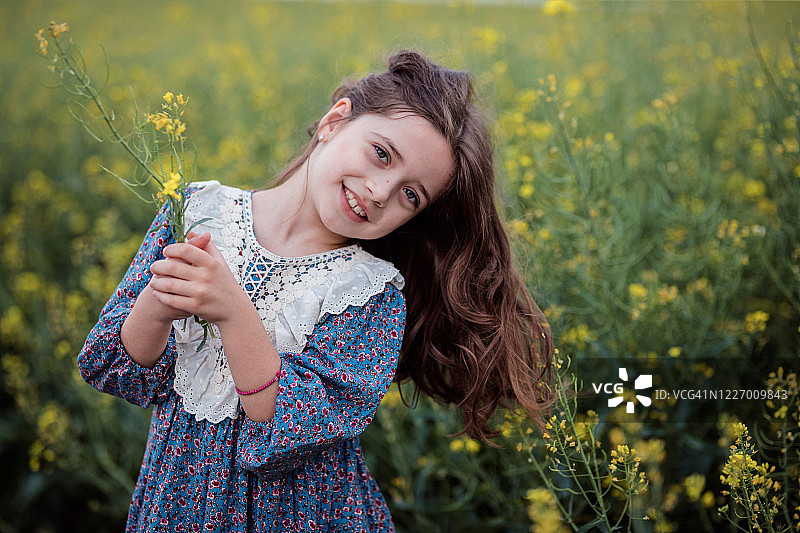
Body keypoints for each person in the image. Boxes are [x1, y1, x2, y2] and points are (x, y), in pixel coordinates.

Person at [78, 49, 553, 533]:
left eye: (411, 194)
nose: (379, 192)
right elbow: (114, 368)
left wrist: (232, 310)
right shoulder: (196, 210)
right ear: (334, 121)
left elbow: (286, 431)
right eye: (382, 154)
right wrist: (161, 297)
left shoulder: (370, 293)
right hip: (175, 508)